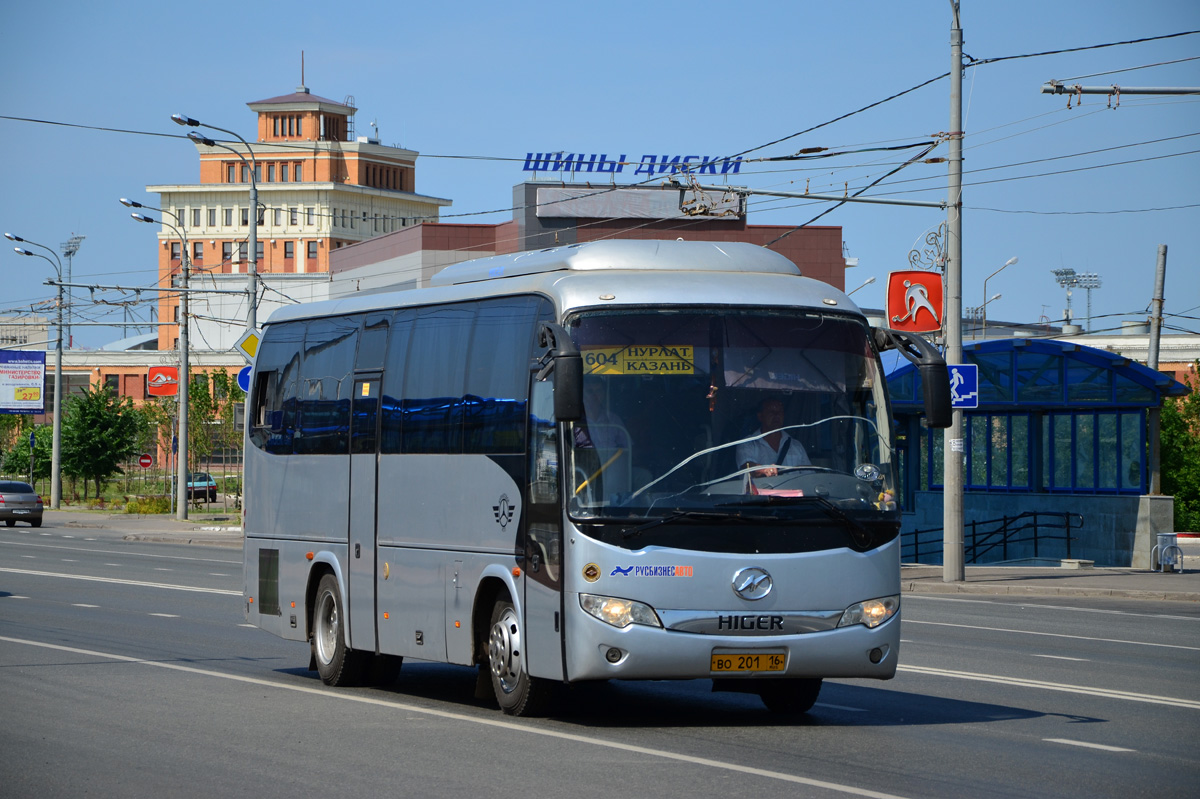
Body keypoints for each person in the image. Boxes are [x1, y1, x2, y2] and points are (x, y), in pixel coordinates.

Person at [734, 398, 810, 477]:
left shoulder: (796, 446)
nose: (776, 415)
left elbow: (809, 477)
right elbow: (747, 467)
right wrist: (764, 470)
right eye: (771, 412)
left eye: (780, 412)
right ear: (760, 416)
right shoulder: (748, 444)